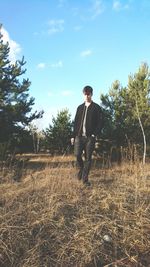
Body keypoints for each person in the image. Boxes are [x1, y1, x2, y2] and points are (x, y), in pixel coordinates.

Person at [71, 85, 104, 186]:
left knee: (88, 158)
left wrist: (94, 134)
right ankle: (81, 168)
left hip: (90, 137)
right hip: (79, 137)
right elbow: (75, 122)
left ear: (92, 94)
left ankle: (85, 180)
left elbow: (101, 122)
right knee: (77, 155)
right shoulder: (80, 107)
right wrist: (73, 135)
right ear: (83, 94)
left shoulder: (96, 107)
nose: (87, 96)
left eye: (88, 94)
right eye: (85, 94)